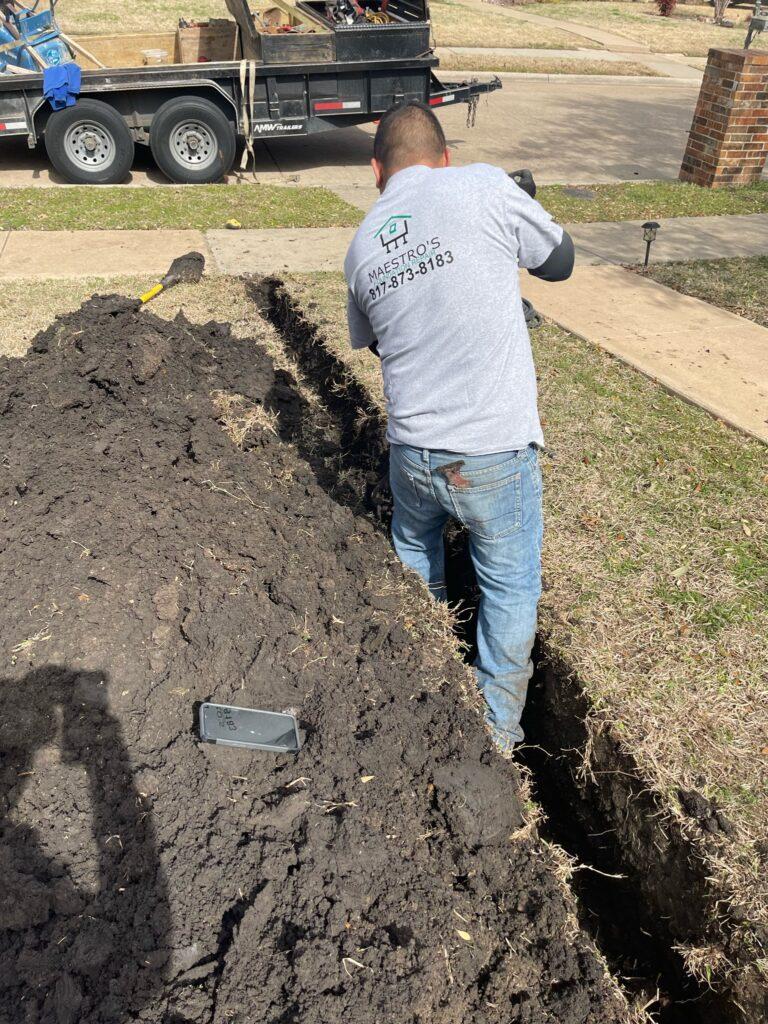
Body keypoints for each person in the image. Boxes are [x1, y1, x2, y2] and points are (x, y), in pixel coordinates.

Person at [343, 101, 574, 752]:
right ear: (446, 157)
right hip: (490, 454)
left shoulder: (362, 243)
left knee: (416, 549)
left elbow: (377, 343)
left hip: (415, 453)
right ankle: (495, 739)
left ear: (375, 171)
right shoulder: (483, 185)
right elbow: (559, 261)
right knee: (508, 586)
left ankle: (434, 665)